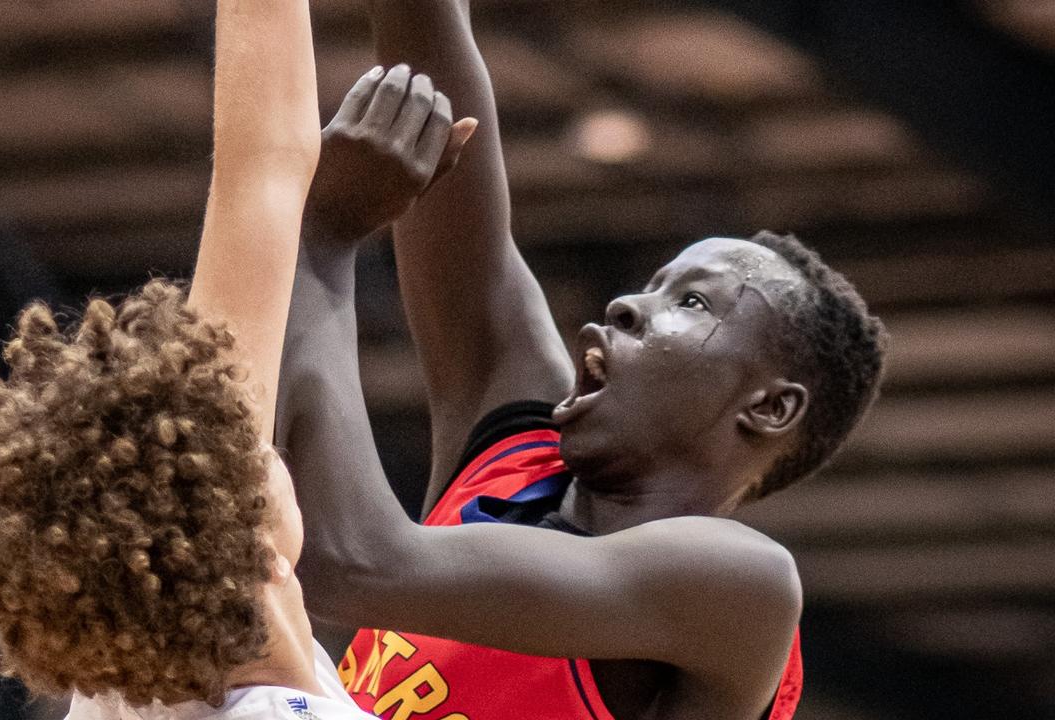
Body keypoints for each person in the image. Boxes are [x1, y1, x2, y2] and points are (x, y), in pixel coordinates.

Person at [275, 2, 888, 719]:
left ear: (769, 406)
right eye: (653, 284)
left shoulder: (740, 586)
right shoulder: (517, 459)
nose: (628, 304)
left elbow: (350, 564)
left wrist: (322, 235)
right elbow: (447, 144)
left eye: (692, 304)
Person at [0, 0, 469, 716]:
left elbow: (263, 168)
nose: (263, 439)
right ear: (242, 535)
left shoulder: (147, 657)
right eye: (248, 451)